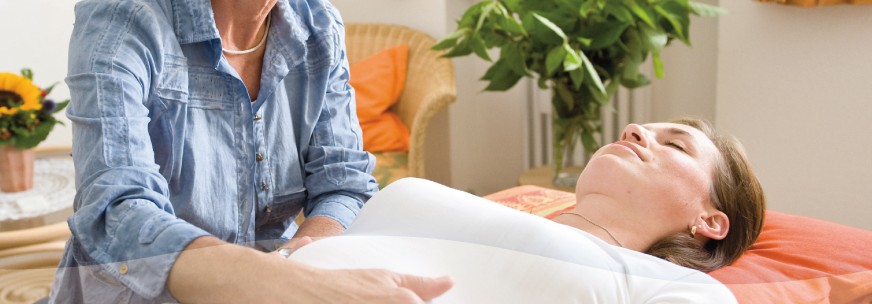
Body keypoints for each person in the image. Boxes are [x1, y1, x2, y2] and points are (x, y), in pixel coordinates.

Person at [48, 0, 454, 302]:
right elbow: (117, 212)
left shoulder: (319, 29)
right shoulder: (119, 27)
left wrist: (309, 260)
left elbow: (343, 183)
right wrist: (283, 282)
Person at [289, 118, 767, 303]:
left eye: (676, 145)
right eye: (643, 128)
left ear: (710, 221)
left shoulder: (681, 289)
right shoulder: (489, 214)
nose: (636, 129)